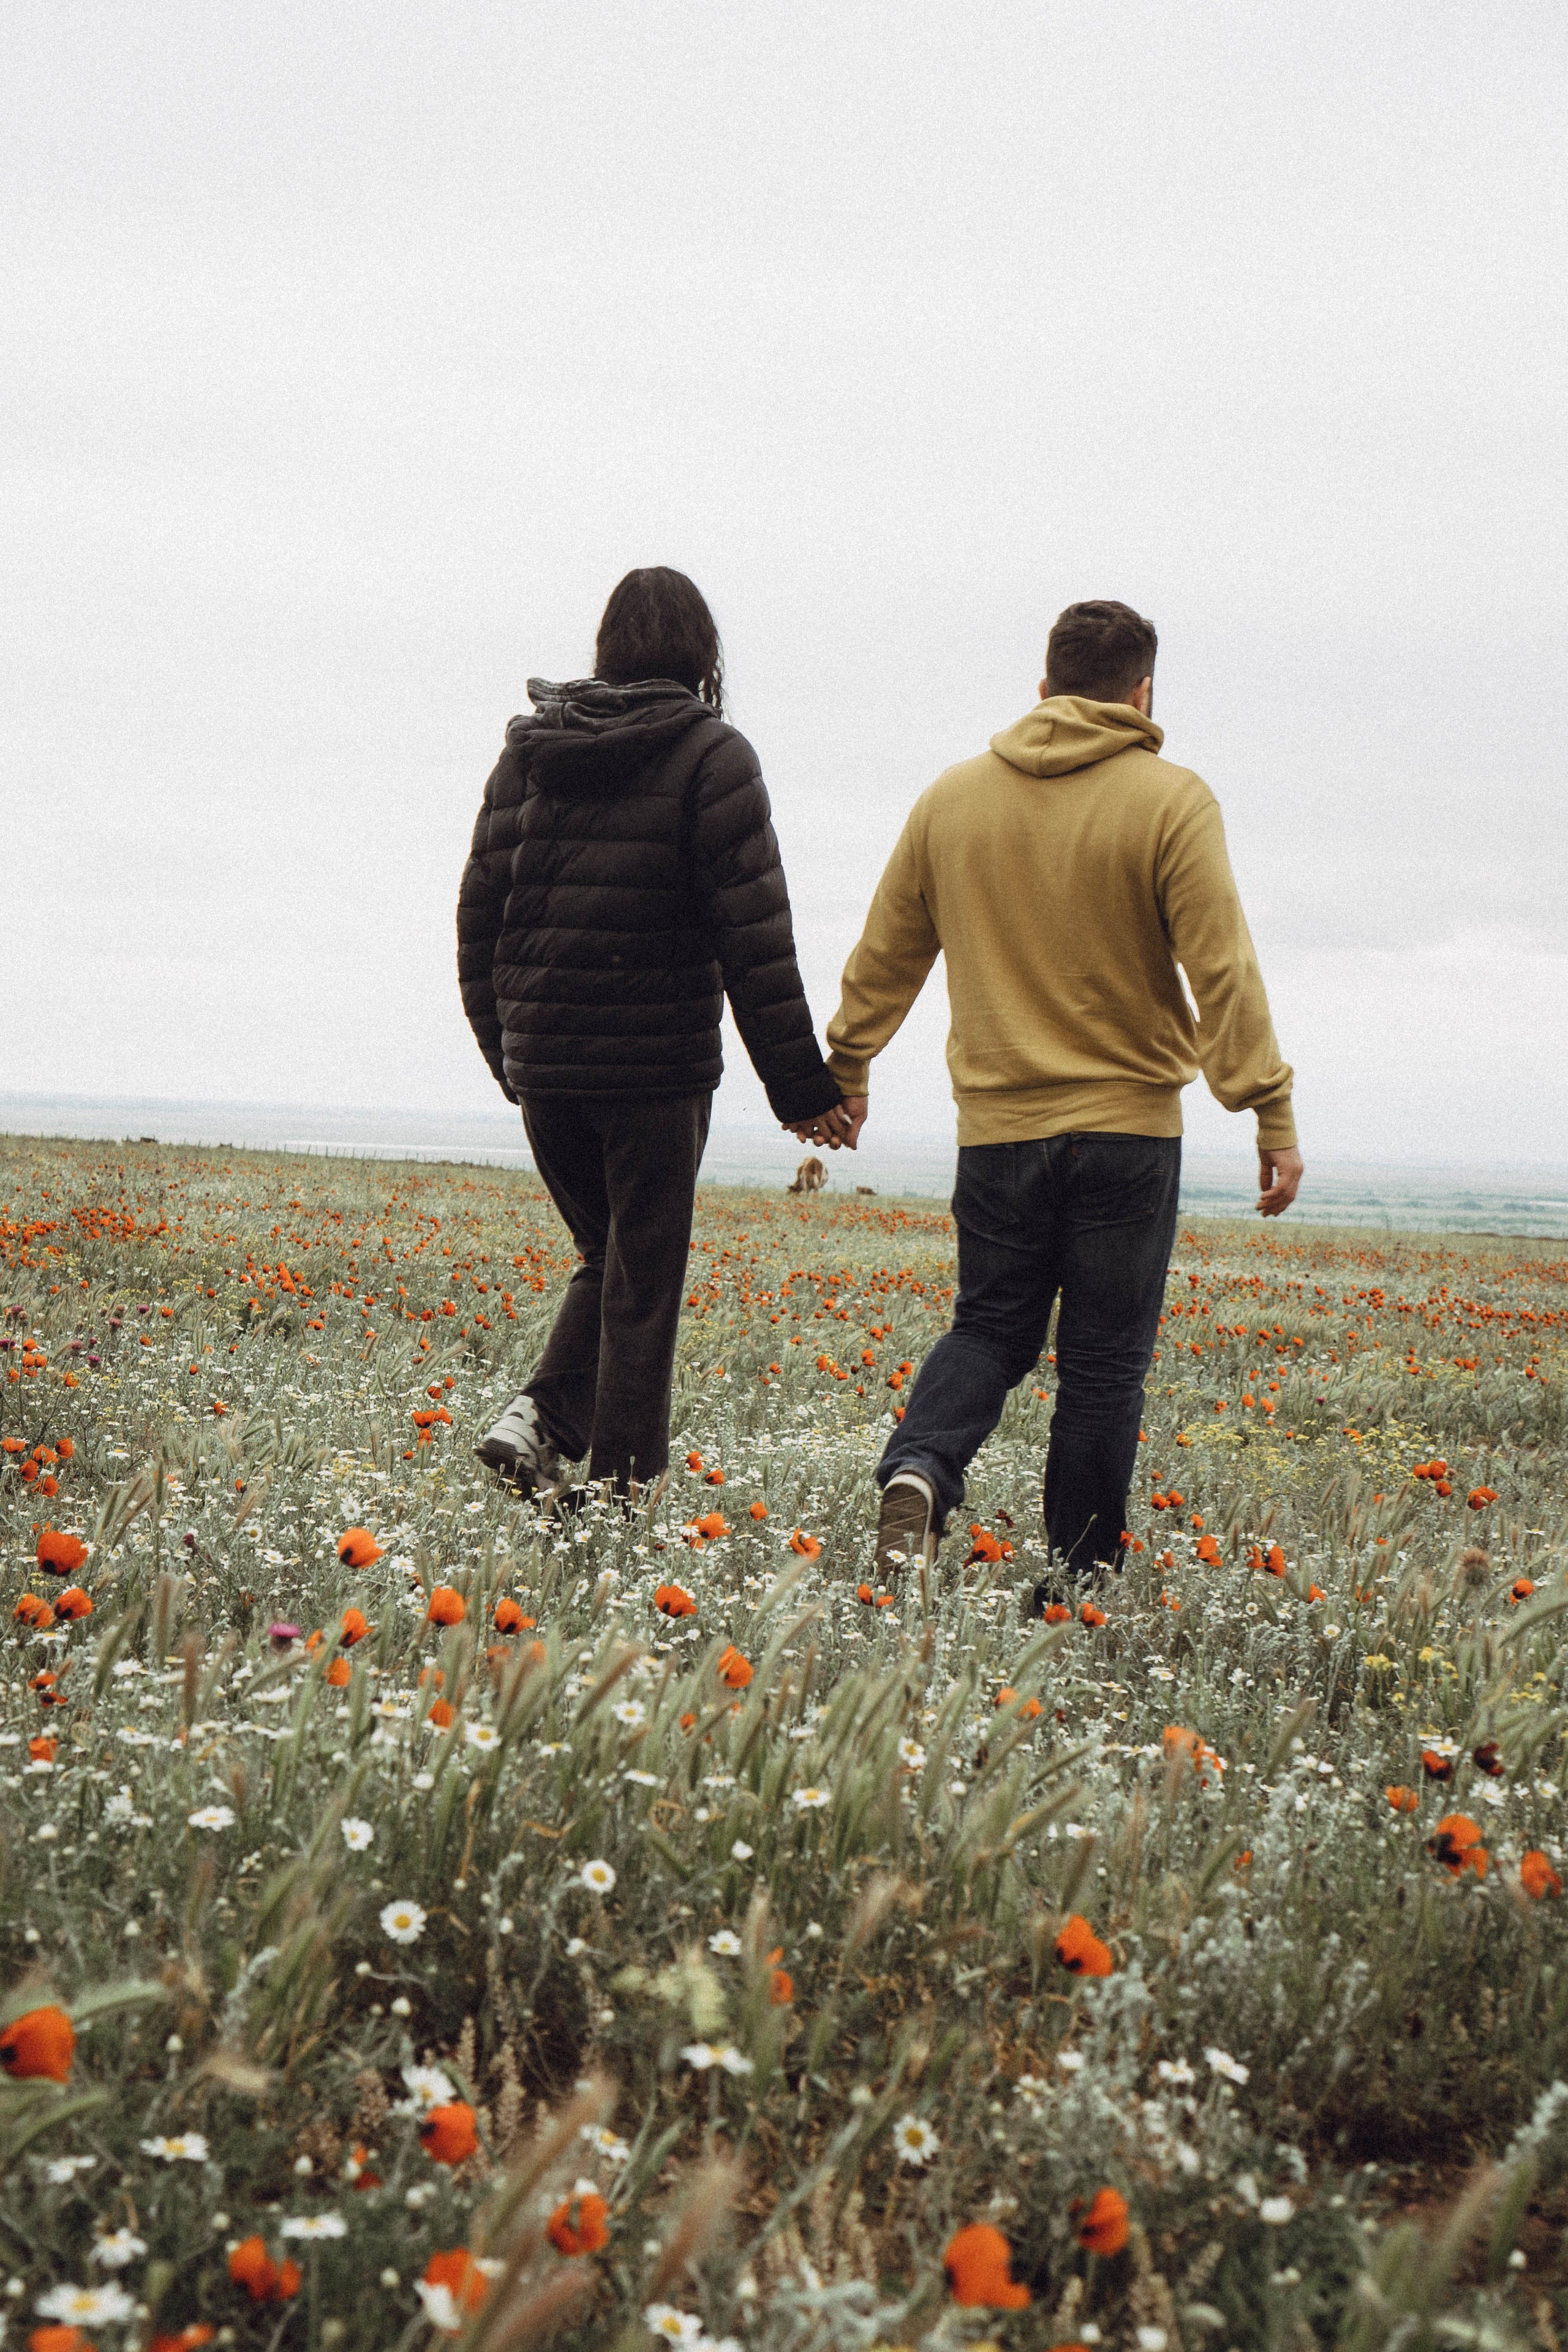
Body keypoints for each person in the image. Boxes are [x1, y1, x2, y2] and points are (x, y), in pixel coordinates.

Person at [823, 599, 1302, 1598]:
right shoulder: (1172, 801)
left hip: (1000, 1133)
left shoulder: (951, 802)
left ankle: (921, 1466)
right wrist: (1266, 1107)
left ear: (1042, 691)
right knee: (1101, 1367)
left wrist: (850, 1065)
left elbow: (888, 953)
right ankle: (1079, 1587)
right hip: (1128, 1135)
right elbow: (1223, 967)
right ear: (1143, 694)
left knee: (989, 1329)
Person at [457, 567, 848, 1504]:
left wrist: (506, 1053)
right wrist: (805, 1090)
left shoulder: (528, 759)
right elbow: (756, 941)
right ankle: (619, 1488)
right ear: (703, 656)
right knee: (642, 1274)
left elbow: (478, 917)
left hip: (546, 1063)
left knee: (611, 1257)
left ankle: (539, 1424)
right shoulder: (714, 757)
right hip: (657, 1068)